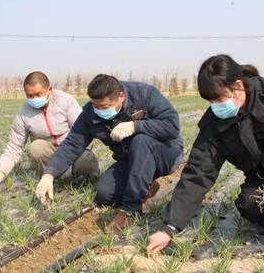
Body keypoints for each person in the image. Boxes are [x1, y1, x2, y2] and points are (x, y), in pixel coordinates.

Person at [147, 55, 264, 257]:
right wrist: (169, 227)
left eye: (219, 99)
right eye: (210, 101)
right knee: (249, 205)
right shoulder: (215, 122)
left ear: (238, 86)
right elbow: (198, 173)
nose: (215, 106)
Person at [36, 74, 183, 231]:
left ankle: (130, 210)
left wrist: (136, 126)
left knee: (140, 141)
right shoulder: (90, 113)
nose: (99, 110)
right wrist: (49, 173)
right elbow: (72, 143)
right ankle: (145, 186)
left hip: (165, 154)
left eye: (104, 107)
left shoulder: (145, 95)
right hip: (131, 160)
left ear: (121, 96)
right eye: (95, 106)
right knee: (105, 194)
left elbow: (172, 126)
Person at [0, 71, 99, 189]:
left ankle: (90, 180)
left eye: (38, 94)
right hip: (49, 153)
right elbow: (14, 147)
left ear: (49, 89)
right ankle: (49, 180)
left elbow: (83, 132)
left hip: (71, 149)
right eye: (30, 96)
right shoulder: (24, 113)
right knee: (35, 148)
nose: (34, 99)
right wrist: (0, 171)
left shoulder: (65, 101)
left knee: (86, 158)